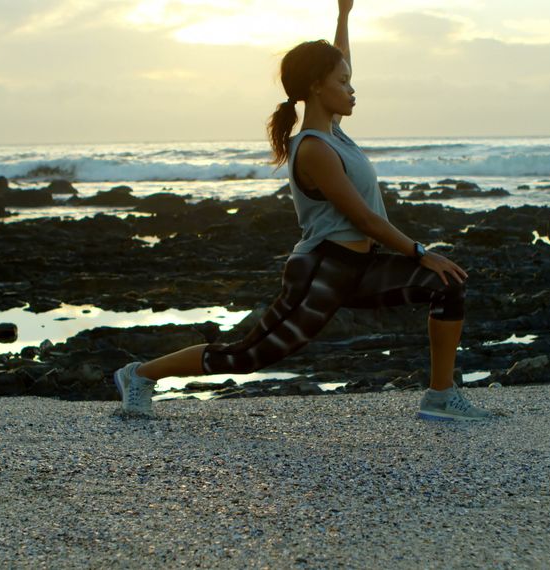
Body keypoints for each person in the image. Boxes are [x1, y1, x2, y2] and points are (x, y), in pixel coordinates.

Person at [113, 0, 491, 421]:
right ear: (316, 86)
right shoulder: (314, 149)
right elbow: (364, 219)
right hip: (322, 270)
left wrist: (344, 15)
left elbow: (339, 60)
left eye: (350, 81)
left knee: (446, 285)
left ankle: (441, 396)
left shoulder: (335, 134)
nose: (352, 89)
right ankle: (139, 374)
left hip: (359, 267)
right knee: (246, 355)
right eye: (343, 83)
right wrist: (421, 252)